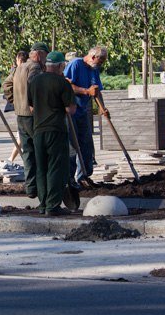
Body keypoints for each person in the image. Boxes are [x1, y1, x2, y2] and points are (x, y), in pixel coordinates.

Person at [29, 51, 76, 216]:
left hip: (38, 130)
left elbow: (31, 107)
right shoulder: (62, 83)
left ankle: (42, 204)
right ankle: (52, 206)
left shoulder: (34, 81)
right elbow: (70, 109)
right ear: (60, 66)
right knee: (56, 167)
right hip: (56, 130)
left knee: (41, 168)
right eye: (63, 65)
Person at [4, 42, 49, 198]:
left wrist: (15, 102)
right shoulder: (34, 67)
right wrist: (33, 104)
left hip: (21, 115)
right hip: (33, 116)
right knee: (39, 151)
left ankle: (30, 188)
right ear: (39, 54)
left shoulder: (19, 67)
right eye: (45, 56)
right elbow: (33, 85)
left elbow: (6, 84)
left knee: (28, 153)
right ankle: (41, 188)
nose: (45, 60)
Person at [63, 46, 108, 186]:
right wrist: (86, 91)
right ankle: (69, 179)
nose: (101, 64)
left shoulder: (94, 69)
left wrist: (102, 108)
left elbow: (96, 91)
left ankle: (84, 176)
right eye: (100, 61)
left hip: (82, 111)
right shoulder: (75, 64)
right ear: (93, 57)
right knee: (72, 146)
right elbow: (66, 85)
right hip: (70, 111)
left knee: (87, 143)